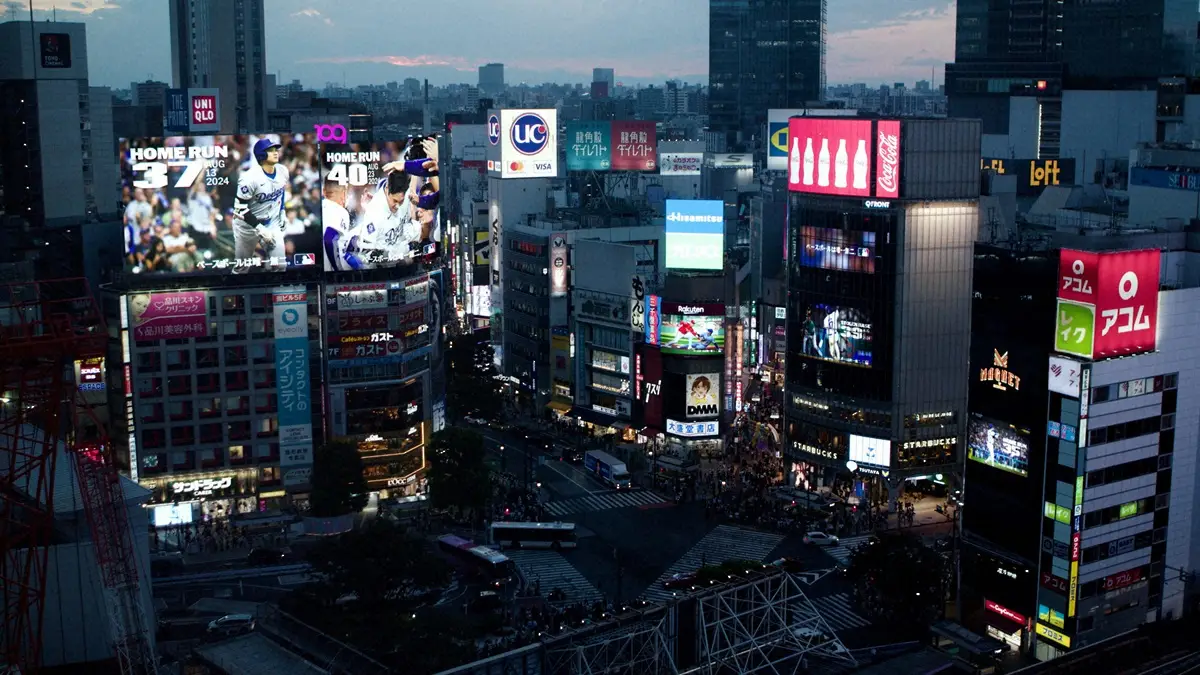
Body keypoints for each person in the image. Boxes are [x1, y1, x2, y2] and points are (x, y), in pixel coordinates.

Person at [233, 137, 289, 269]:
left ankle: (276, 290)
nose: (276, 152)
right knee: (241, 268)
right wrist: (260, 228)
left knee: (280, 265)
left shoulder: (283, 171)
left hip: (272, 223)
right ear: (261, 155)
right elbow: (240, 209)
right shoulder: (249, 178)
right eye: (271, 150)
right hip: (247, 226)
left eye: (276, 149)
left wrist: (282, 211)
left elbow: (281, 190)